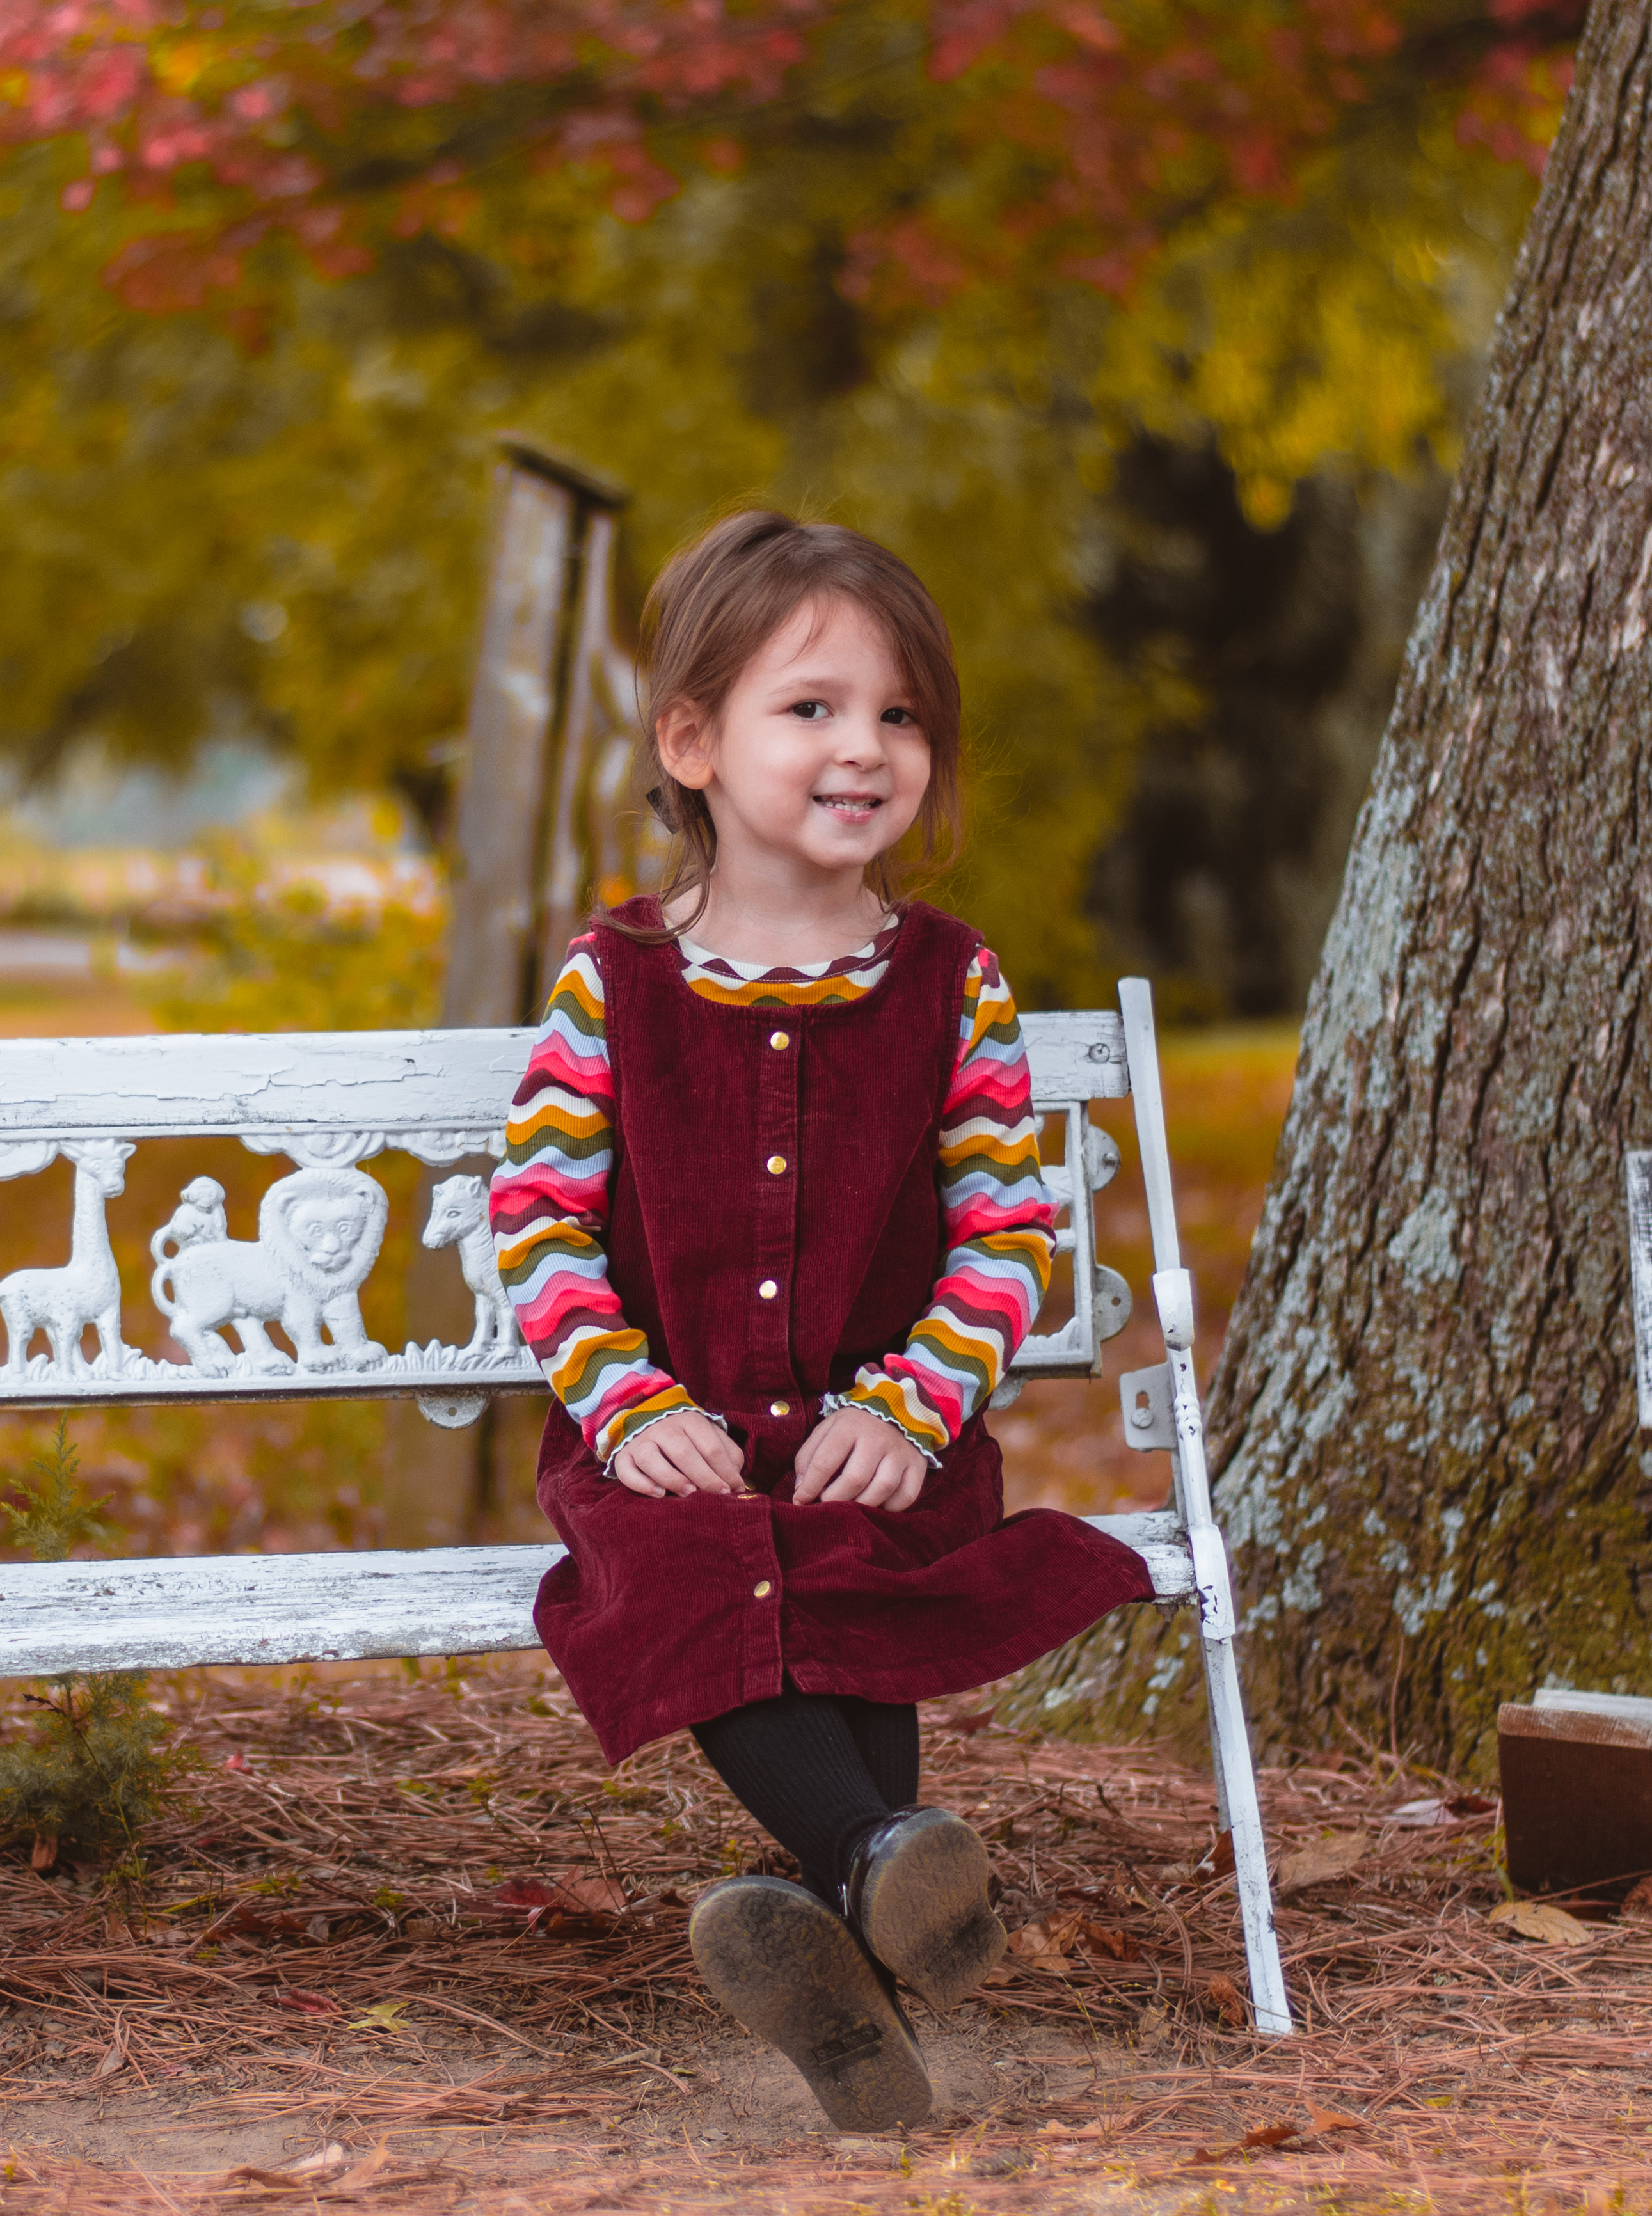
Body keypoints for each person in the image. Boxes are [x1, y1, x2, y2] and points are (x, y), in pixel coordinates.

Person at [490, 510, 1155, 2132]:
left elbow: (1005, 1228)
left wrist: (917, 1402)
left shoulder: (952, 984)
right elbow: (539, 1218)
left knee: (853, 1567)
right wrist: (631, 1404)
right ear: (694, 742)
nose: (867, 746)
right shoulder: (615, 982)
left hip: (878, 1428)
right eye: (814, 708)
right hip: (677, 1441)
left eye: (900, 714)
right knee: (704, 1563)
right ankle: (879, 1866)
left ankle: (859, 1964)